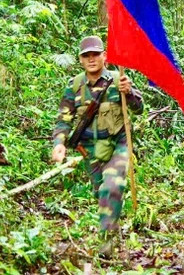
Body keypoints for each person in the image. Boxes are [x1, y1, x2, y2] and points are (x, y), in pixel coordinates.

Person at [50, 36, 143, 256]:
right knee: (100, 193)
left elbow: (138, 108)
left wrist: (128, 92)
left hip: (118, 144)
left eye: (95, 54)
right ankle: (113, 229)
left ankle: (106, 245)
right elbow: (64, 119)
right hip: (89, 149)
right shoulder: (74, 85)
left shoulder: (118, 79)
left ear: (104, 56)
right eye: (86, 56)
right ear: (81, 60)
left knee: (111, 187)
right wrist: (59, 143)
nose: (91, 59)